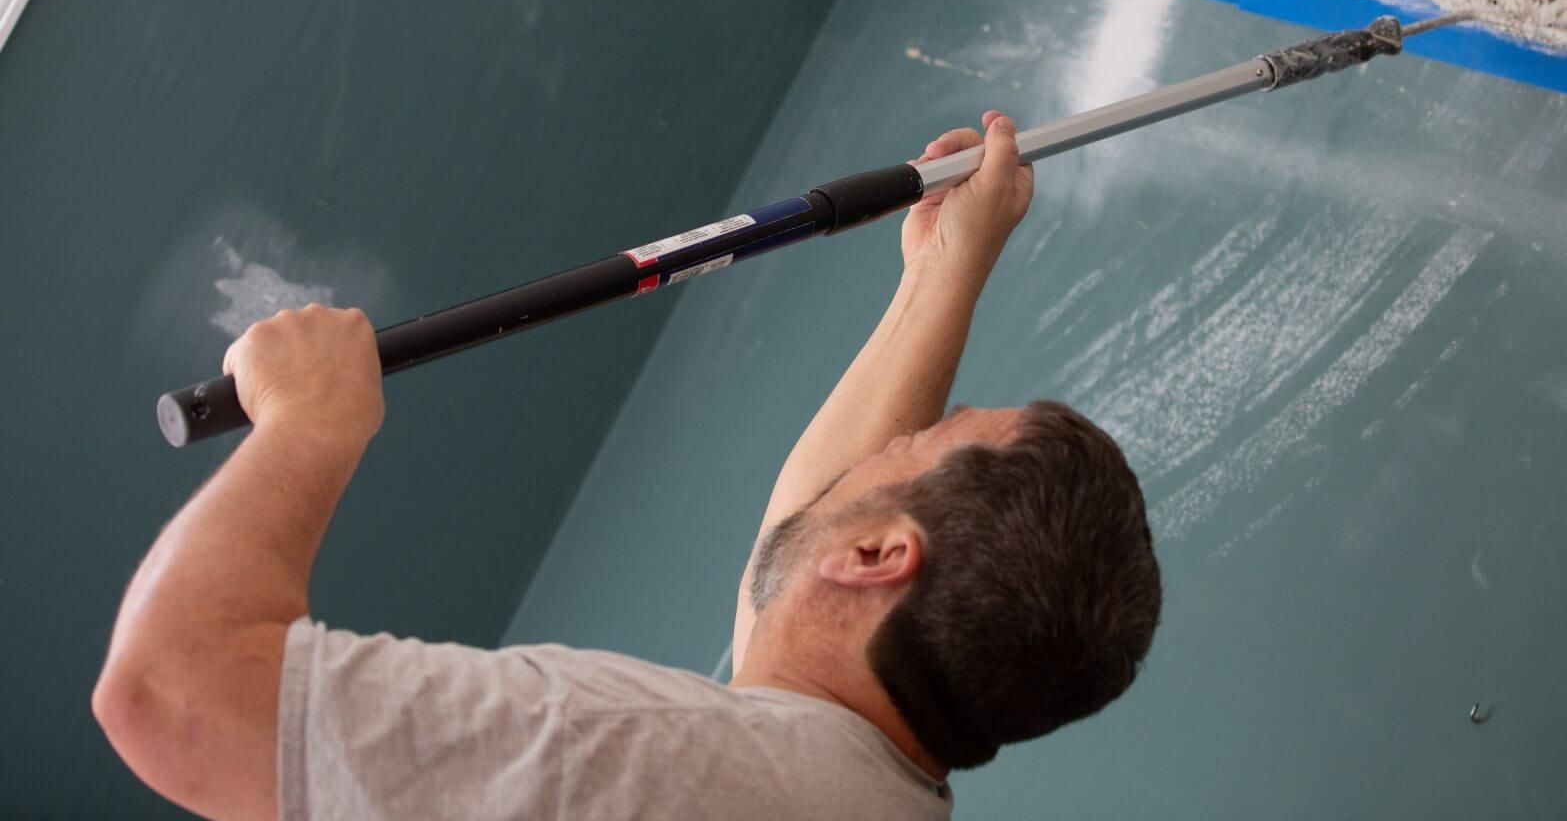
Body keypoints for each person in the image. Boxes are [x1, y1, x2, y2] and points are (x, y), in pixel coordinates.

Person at [93, 110, 1162, 820]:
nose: (886, 442)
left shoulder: (649, 754)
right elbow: (795, 571)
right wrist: (945, 269)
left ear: (881, 553)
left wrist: (310, 427)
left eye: (912, 446)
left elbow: (173, 695)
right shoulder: (852, 780)